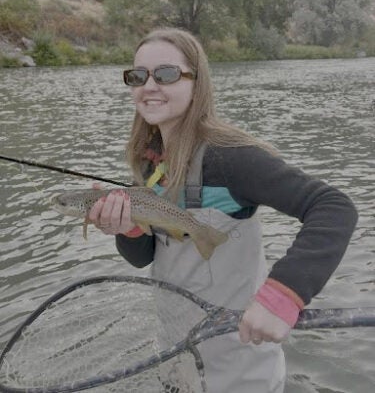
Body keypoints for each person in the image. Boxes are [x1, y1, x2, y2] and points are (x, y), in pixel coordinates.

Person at [88, 28, 357, 392]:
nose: (149, 86)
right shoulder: (151, 164)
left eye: (166, 74)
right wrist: (127, 228)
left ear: (196, 84)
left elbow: (333, 207)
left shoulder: (230, 158)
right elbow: (143, 257)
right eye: (138, 76)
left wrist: (283, 295)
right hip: (177, 357)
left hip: (239, 372)